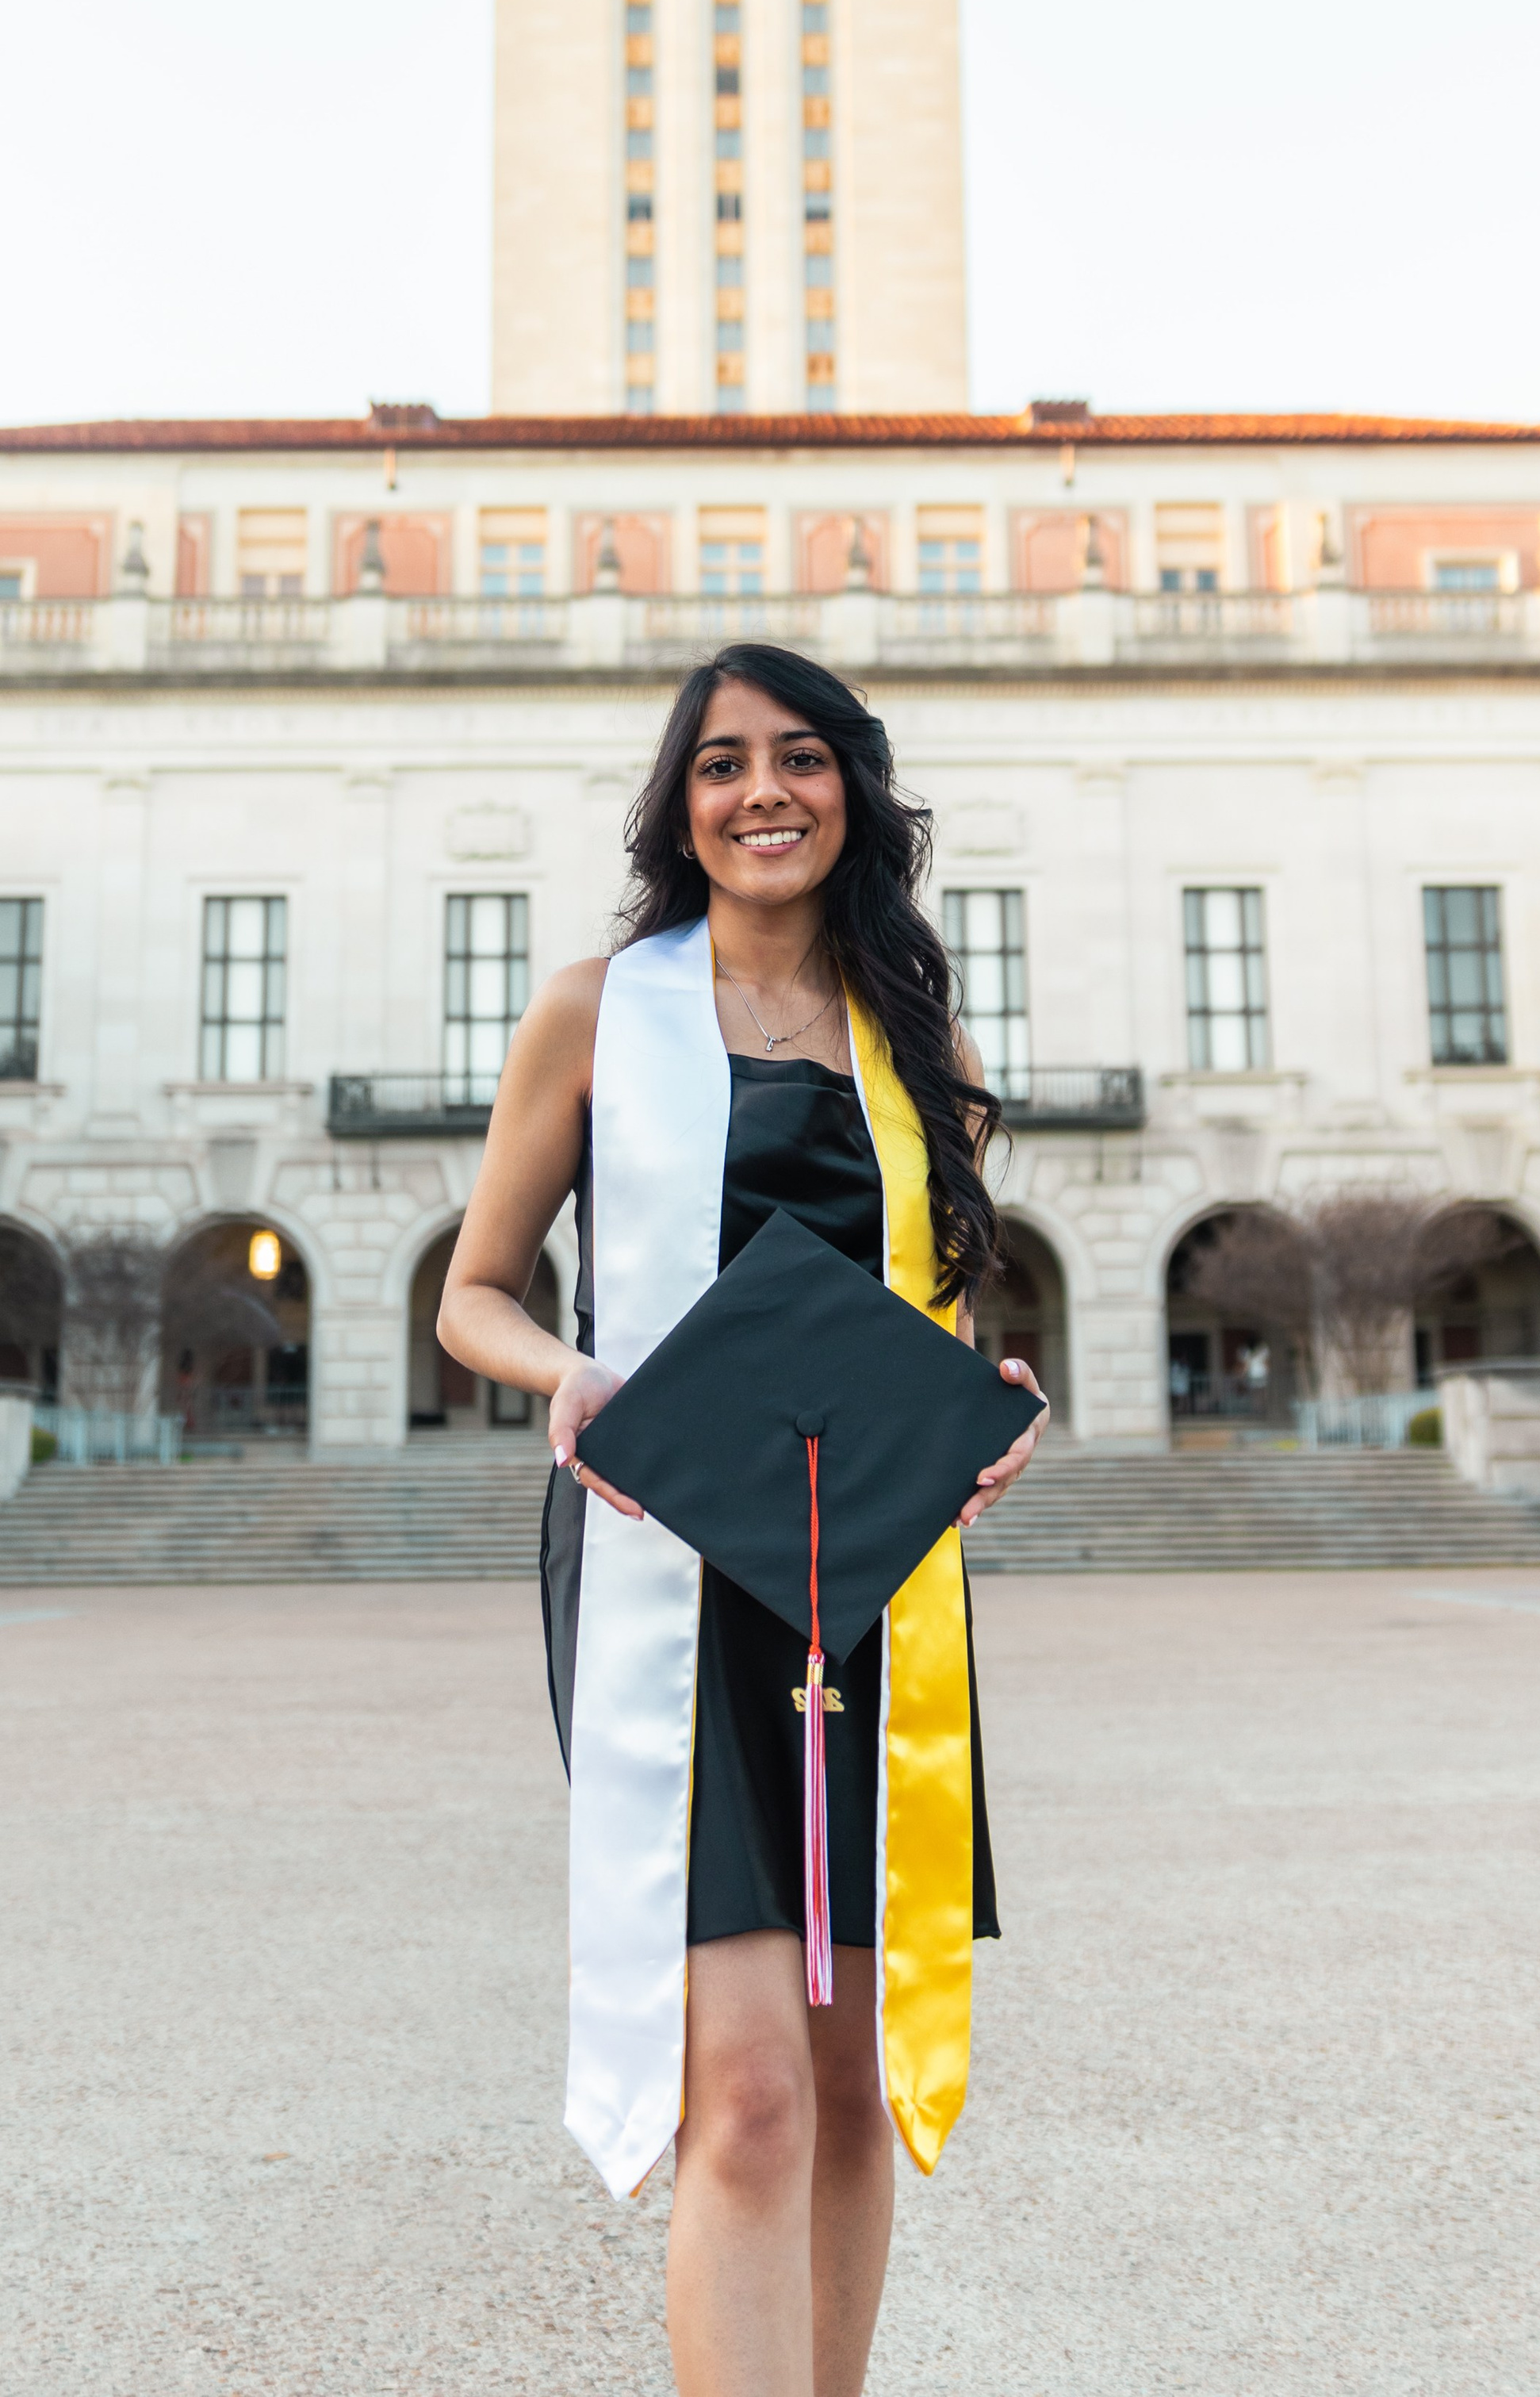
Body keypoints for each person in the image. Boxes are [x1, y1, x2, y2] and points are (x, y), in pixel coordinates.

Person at [439, 645, 1043, 2397]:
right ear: (678, 805)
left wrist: (989, 1413)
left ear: (849, 787)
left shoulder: (912, 1035)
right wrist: (566, 1372)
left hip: (864, 1562)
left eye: (796, 756)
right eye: (718, 764)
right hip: (661, 1543)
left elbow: (932, 1315)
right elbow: (473, 1290)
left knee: (849, 2077)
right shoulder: (594, 1009)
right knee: (753, 2085)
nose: (759, 790)